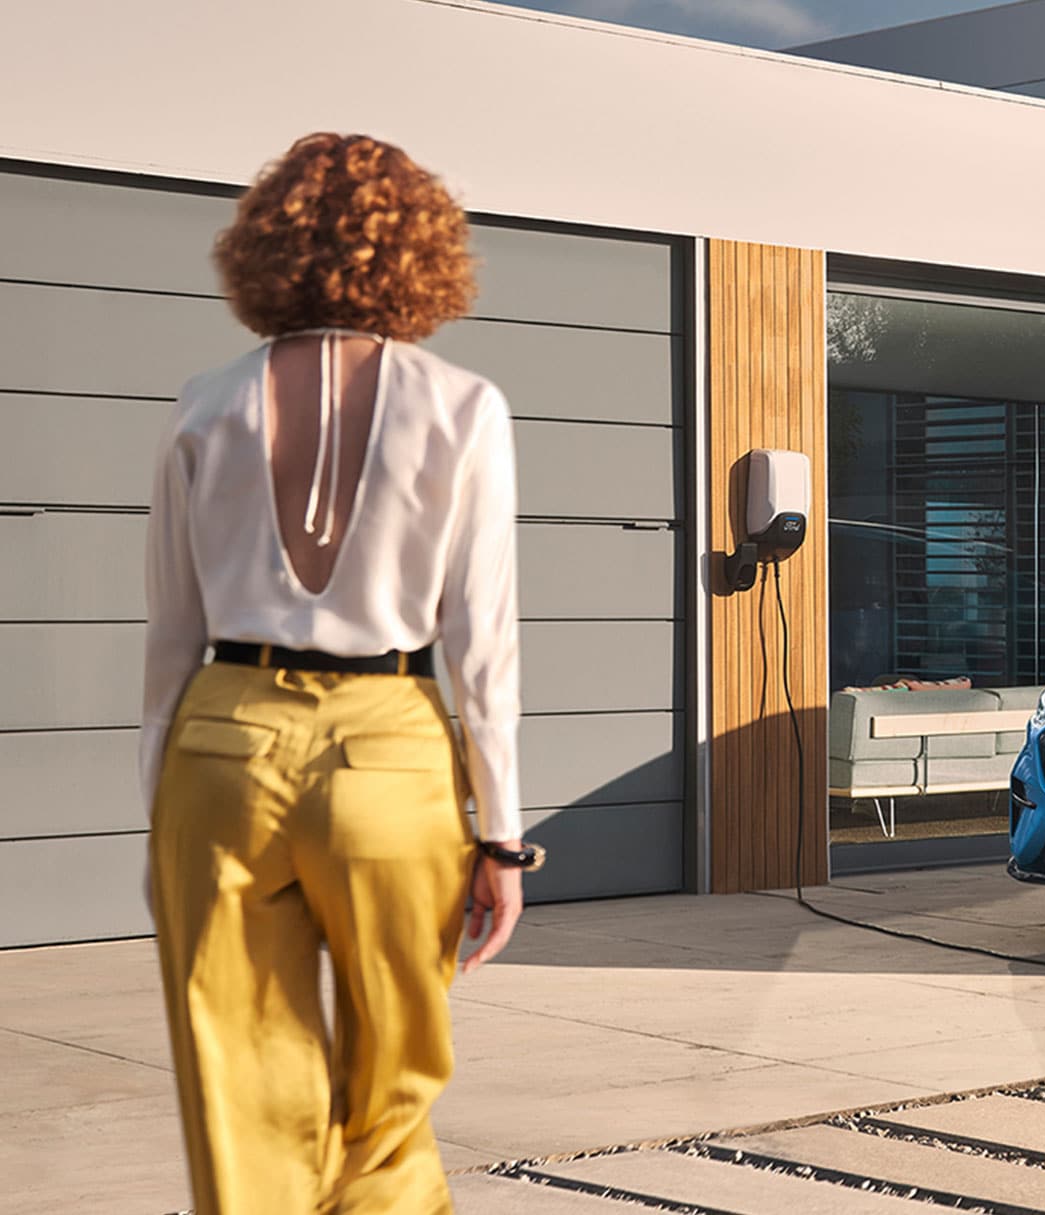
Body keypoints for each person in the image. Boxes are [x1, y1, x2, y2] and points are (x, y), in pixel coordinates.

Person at [141, 132, 540, 1214]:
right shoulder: (464, 406)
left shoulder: (202, 403)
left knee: (237, 1074)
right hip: (389, 743)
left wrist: (164, 817)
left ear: (263, 247)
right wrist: (501, 835)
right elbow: (482, 640)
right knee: (391, 1084)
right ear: (422, 253)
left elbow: (168, 641)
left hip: (221, 744)